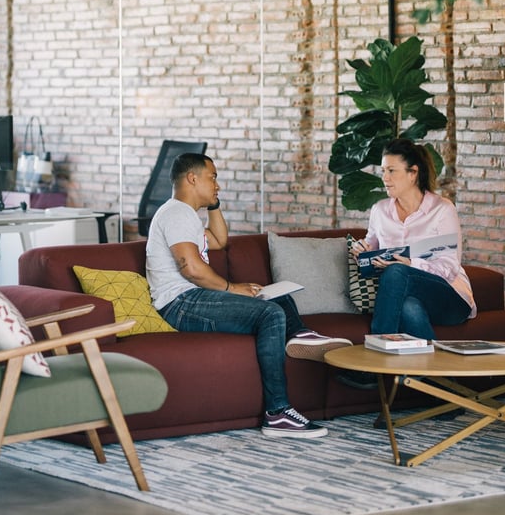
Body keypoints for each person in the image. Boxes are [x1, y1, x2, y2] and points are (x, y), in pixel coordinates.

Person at [146, 151, 352, 440]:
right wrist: (232, 288)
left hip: (191, 299)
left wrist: (214, 203)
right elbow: (190, 268)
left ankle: (301, 335)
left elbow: (219, 240)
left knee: (272, 296)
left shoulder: (186, 214)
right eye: (212, 178)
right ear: (192, 178)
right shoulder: (176, 213)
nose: (217, 184)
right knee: (270, 313)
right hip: (181, 304)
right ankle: (278, 412)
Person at [341, 138, 476, 388]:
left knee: (397, 272)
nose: (385, 177)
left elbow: (450, 267)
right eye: (383, 170)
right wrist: (363, 250)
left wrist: (410, 264)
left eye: (392, 171)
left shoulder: (442, 210)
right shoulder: (380, 210)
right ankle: (444, 384)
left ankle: (373, 362)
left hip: (449, 297)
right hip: (406, 296)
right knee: (408, 308)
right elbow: (372, 245)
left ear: (413, 173)